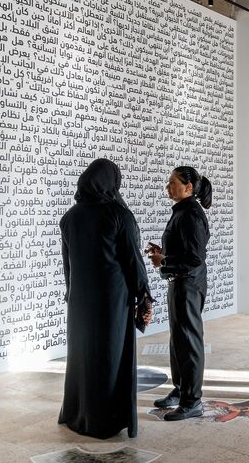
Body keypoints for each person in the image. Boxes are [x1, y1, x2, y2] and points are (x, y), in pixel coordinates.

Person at [58, 159, 153, 439]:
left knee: (83, 357)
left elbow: (68, 268)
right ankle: (106, 420)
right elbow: (133, 261)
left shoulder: (69, 218)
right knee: (111, 358)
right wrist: (144, 296)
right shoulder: (118, 214)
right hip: (112, 301)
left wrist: (72, 295)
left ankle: (78, 414)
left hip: (80, 302)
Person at [147, 166, 212, 421]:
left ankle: (192, 401)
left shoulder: (192, 215)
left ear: (188, 188)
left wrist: (164, 262)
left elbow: (195, 258)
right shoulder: (182, 212)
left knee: (189, 342)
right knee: (178, 340)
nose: (167, 186)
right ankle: (181, 390)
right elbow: (183, 250)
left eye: (172, 182)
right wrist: (163, 254)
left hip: (189, 285)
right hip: (180, 283)